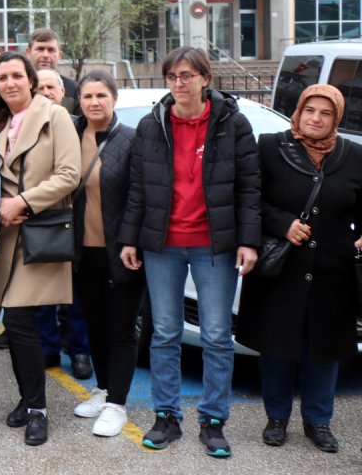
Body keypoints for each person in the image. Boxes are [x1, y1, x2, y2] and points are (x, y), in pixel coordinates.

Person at [119, 46, 260, 457]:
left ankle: (213, 421)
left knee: (216, 335)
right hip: (162, 246)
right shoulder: (152, 124)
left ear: (205, 79)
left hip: (214, 246)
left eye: (187, 75)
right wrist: (130, 238)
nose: (178, 84)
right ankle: (166, 416)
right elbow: (138, 189)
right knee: (164, 333)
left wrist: (249, 241)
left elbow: (249, 187)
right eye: (172, 76)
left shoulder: (232, 124)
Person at [237, 85, 361, 454]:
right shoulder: (270, 147)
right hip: (281, 269)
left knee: (323, 349)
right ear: (299, 111)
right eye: (310, 110)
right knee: (277, 347)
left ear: (336, 118)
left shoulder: (353, 155)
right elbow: (250, 198)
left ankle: (318, 421)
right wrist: (281, 224)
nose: (316, 119)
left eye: (326, 113)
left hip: (333, 272)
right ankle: (276, 417)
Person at [0, 51, 80, 446]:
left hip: (40, 231)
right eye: (2, 78)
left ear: (30, 80)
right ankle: (28, 399)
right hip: (7, 235)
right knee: (17, 323)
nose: (9, 83)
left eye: (16, 76)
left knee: (20, 319)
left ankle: (38, 409)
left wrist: (23, 202)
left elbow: (69, 174)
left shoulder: (55, 116)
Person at [69, 71, 140, 437]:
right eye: (88, 96)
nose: (94, 102)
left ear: (114, 98)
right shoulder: (70, 135)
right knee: (94, 324)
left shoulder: (131, 139)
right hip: (82, 251)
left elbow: (140, 196)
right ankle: (103, 388)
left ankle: (118, 404)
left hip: (122, 251)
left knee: (121, 328)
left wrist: (132, 241)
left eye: (101, 95)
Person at [31, 67, 90, 379]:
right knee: (43, 293)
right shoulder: (26, 128)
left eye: (51, 87)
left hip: (76, 219)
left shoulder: (79, 126)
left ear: (63, 92)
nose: (46, 93)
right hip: (40, 218)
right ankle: (48, 348)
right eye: (39, 88)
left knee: (76, 293)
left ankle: (80, 351)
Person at [25, 28, 78, 108]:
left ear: (59, 55)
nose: (45, 55)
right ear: (28, 53)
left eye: (51, 50)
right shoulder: (19, 86)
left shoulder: (73, 90)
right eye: (40, 49)